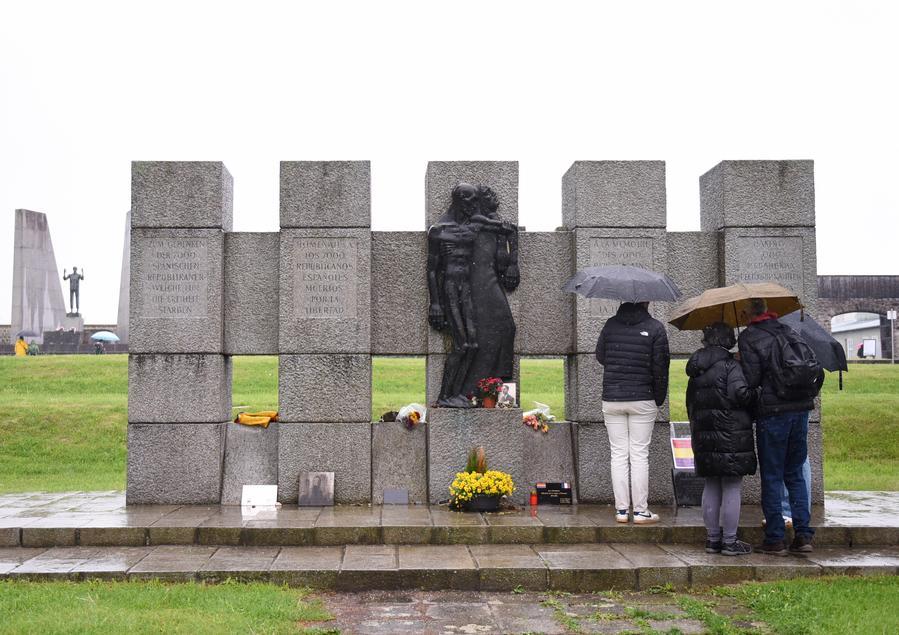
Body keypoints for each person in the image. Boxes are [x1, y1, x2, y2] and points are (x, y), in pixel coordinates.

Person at [738, 298, 823, 555]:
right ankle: (804, 535)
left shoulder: (749, 337)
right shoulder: (788, 330)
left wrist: (742, 361)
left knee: (773, 475)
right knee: (795, 472)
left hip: (773, 414)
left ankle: (775, 538)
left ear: (747, 313)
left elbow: (752, 380)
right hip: (800, 410)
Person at [595, 301, 670, 524]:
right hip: (642, 397)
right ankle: (639, 511)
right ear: (646, 302)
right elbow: (661, 366)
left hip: (612, 397)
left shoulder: (610, 325)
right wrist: (658, 397)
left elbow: (601, 356)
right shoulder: (655, 328)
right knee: (639, 455)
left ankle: (620, 511)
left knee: (618, 454)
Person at [686, 322, 757, 556]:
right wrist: (755, 391)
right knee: (732, 485)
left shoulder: (696, 369)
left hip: (704, 435)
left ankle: (712, 538)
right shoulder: (730, 366)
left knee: (711, 483)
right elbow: (741, 395)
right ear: (728, 340)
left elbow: (690, 405)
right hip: (731, 435)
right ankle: (729, 540)